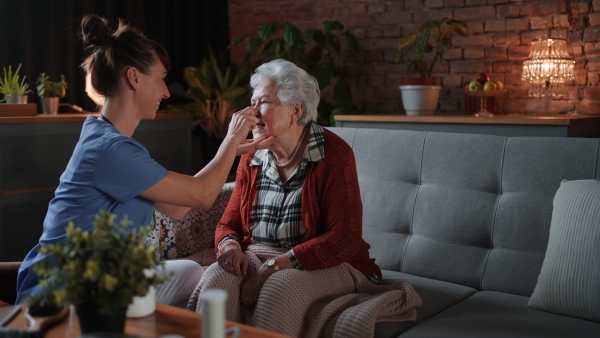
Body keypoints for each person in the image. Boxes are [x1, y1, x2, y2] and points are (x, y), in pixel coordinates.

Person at [15, 14, 272, 307]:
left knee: (191, 271)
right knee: (197, 280)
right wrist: (230, 138)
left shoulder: (106, 137)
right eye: (161, 79)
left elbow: (176, 207)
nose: (166, 91)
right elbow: (201, 194)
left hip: (102, 278)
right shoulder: (111, 150)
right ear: (134, 77)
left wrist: (232, 150)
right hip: (68, 289)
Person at [187, 59, 421, 337]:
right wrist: (229, 250)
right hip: (259, 255)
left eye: (263, 103)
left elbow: (344, 238)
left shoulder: (334, 154)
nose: (251, 113)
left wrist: (274, 266)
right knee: (216, 280)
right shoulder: (250, 155)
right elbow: (229, 224)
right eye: (252, 102)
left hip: (329, 264)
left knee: (278, 288)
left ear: (295, 110)